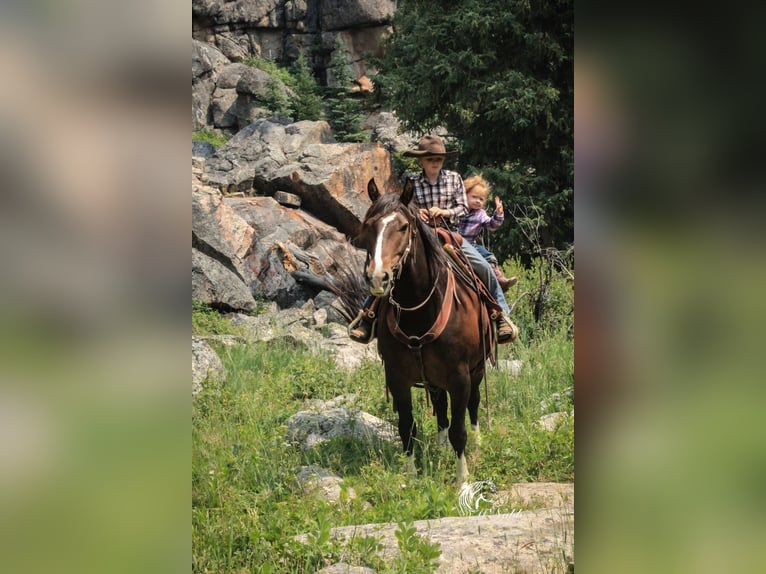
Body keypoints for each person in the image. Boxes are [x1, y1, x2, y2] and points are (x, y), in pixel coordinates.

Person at [349, 134, 519, 344]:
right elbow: (405, 207)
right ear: (422, 161)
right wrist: (418, 213)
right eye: (430, 159)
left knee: (482, 266)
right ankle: (368, 316)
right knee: (391, 269)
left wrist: (446, 212)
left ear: (443, 160)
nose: (434, 162)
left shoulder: (454, 179)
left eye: (438, 158)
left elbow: (463, 207)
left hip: (450, 234)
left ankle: (500, 314)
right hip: (421, 235)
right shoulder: (412, 182)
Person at [458, 174, 518, 291]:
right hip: (452, 241)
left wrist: (498, 214)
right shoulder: (456, 209)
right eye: (474, 197)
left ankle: (499, 279)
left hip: (471, 245)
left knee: (488, 256)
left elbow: (491, 225)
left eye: (481, 199)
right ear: (464, 195)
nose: (478, 201)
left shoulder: (480, 214)